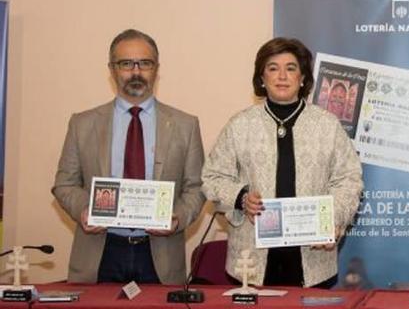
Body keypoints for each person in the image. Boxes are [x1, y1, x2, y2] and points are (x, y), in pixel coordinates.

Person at [202, 37, 363, 288]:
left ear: (303, 78)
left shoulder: (327, 125)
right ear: (261, 79)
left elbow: (349, 179)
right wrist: (241, 197)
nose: (282, 76)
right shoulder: (240, 125)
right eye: (272, 68)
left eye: (291, 68)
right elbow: (213, 177)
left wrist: (333, 218)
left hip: (313, 258)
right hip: (251, 260)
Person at [52, 29, 206, 284]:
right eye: (126, 64)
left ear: (156, 68)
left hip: (160, 254)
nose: (136, 72)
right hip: (100, 250)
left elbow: (197, 188)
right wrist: (83, 210)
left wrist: (176, 217)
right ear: (112, 69)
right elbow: (64, 184)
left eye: (144, 63)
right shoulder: (82, 123)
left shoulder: (185, 124)